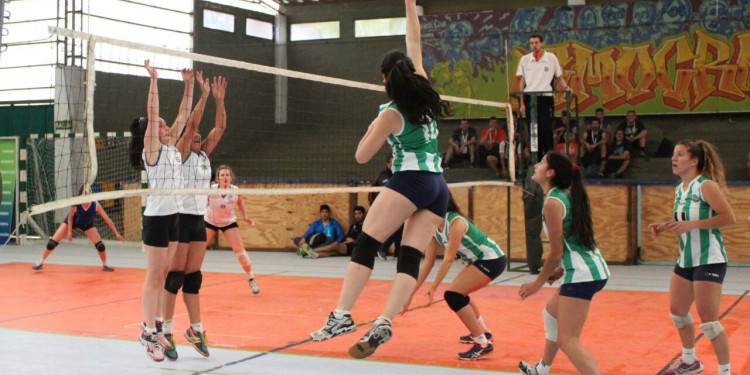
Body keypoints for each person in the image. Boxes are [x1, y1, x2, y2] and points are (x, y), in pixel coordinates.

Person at [309, 0, 452, 361]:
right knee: (409, 255)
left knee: (366, 244)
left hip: (410, 180)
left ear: (386, 78)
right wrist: (409, 6)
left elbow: (361, 155)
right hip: (438, 187)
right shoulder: (423, 85)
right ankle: (385, 320)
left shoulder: (391, 113)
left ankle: (341, 315)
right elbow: (414, 40)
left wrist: (374, 128)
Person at [648, 140, 736, 375]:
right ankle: (690, 362)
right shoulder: (680, 188)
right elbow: (685, 221)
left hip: (709, 259)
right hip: (686, 260)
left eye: (680, 155)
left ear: (694, 161)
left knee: (709, 321)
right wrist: (665, 226)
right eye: (673, 155)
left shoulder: (706, 186)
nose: (673, 159)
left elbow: (729, 218)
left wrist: (693, 224)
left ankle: (725, 371)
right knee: (677, 312)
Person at [518, 152, 610, 375]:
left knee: (568, 341)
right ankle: (542, 369)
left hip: (583, 274)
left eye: (541, 163)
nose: (536, 166)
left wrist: (537, 283)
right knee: (551, 314)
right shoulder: (562, 195)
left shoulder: (553, 202)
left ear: (550, 173)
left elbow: (556, 251)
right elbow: (572, 242)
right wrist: (561, 270)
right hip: (587, 270)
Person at [159, 73, 229, 360]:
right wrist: (203, 96)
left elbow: (221, 126)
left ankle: (195, 329)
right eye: (194, 133)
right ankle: (165, 331)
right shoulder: (182, 152)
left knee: (193, 278)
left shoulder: (204, 156)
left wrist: (220, 100)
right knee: (174, 277)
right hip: (179, 218)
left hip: (198, 219)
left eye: (201, 135)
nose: (198, 135)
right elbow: (194, 126)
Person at [129, 61, 192, 362]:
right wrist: (154, 80)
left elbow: (183, 115)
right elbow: (154, 115)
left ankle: (156, 326)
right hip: (155, 219)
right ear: (151, 134)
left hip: (174, 217)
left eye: (166, 127)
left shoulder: (171, 147)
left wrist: (189, 86)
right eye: (162, 126)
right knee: (154, 276)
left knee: (165, 274)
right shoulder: (151, 150)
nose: (167, 127)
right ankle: (148, 333)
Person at [402, 194, 505, 360]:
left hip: (492, 259)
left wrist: (434, 287)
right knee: (460, 293)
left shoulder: (456, 223)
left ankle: (482, 344)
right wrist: (410, 294)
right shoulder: (434, 227)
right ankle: (484, 333)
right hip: (478, 261)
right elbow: (428, 263)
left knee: (453, 295)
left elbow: (449, 259)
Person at [32, 186, 124, 271]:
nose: (87, 194)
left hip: (87, 224)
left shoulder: (95, 204)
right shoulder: (76, 203)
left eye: (89, 192)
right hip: (72, 221)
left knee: (100, 246)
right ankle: (40, 262)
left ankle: (105, 264)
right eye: (85, 192)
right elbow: (70, 217)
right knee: (52, 243)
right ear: (81, 194)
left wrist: (116, 233)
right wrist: (69, 232)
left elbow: (107, 219)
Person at [516, 33, 572, 157]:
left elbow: (559, 77)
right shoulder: (525, 59)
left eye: (536, 43)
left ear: (541, 43)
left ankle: (549, 155)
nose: (534, 45)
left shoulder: (551, 58)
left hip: (546, 97)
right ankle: (537, 157)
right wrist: (522, 103)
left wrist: (566, 88)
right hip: (530, 97)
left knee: (546, 128)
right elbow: (522, 81)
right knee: (534, 130)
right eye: (531, 43)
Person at [204, 165, 257, 292]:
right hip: (210, 221)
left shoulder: (235, 190)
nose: (225, 177)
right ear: (218, 179)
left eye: (227, 175)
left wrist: (246, 217)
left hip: (228, 222)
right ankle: (188, 279)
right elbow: (201, 202)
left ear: (231, 177)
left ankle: (251, 279)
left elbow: (240, 202)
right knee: (198, 251)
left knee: (240, 252)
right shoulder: (210, 190)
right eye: (222, 175)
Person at [368, 154, 402, 260]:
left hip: (395, 207)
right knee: (397, 228)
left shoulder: (398, 174)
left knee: (400, 227)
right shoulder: (385, 177)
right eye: (393, 163)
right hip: (383, 208)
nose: (396, 164)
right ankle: (382, 248)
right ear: (388, 164)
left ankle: (398, 252)